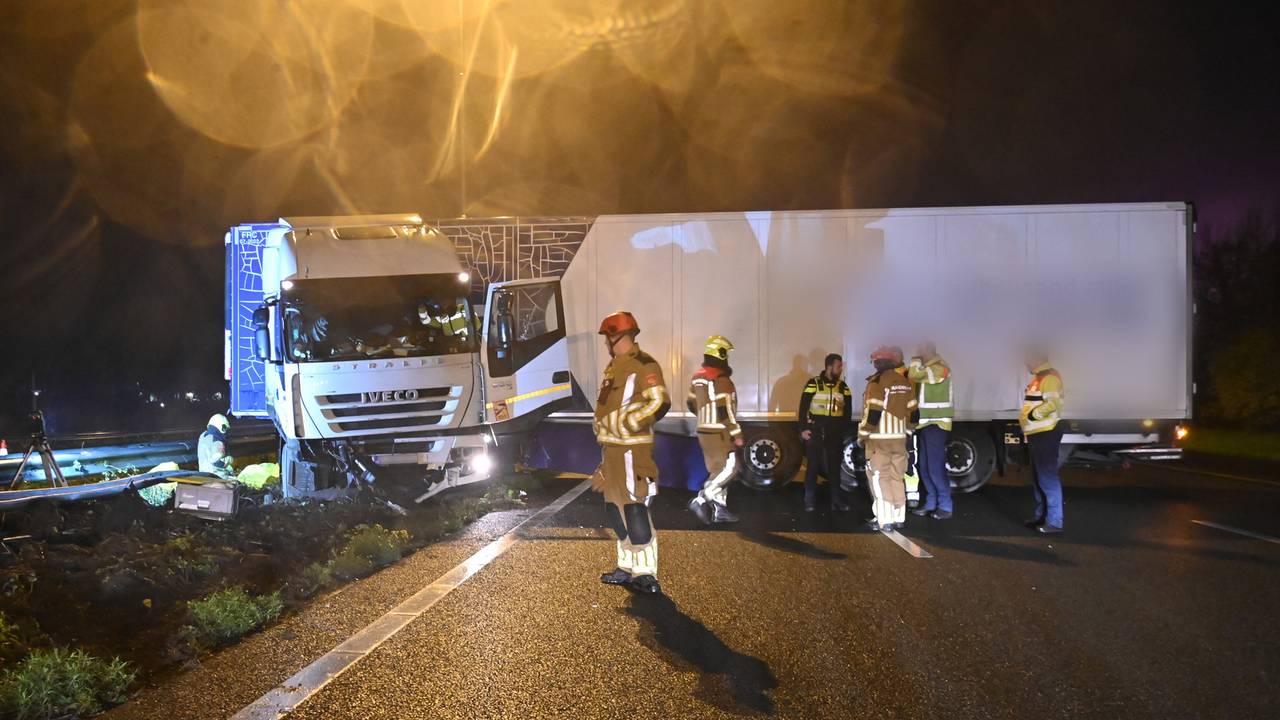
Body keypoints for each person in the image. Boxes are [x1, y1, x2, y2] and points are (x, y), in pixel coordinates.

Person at [592, 311, 670, 594]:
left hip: (633, 451)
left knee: (635, 509)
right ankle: (626, 566)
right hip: (611, 450)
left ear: (621, 336)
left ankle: (646, 572)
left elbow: (659, 402)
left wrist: (628, 422)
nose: (606, 343)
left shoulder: (643, 365)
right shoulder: (614, 368)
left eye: (608, 338)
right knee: (615, 509)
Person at [858, 346, 917, 531]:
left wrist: (863, 434)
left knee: (879, 478)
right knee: (896, 477)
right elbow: (914, 414)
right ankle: (899, 516)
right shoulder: (905, 382)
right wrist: (907, 432)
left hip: (879, 440)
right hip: (899, 440)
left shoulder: (876, 382)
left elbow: (873, 412)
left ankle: (884, 520)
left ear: (878, 363)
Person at [687, 335, 744, 524]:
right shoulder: (721, 379)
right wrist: (736, 434)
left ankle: (720, 510)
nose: (727, 357)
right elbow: (725, 410)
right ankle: (702, 499)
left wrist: (704, 418)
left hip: (703, 431)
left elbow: (690, 402)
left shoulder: (697, 377)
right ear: (720, 353)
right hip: (719, 432)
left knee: (716, 470)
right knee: (731, 467)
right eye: (726, 353)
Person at [798, 353, 853, 512]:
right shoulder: (813, 384)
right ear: (829, 366)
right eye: (839, 366)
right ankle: (809, 500)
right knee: (813, 466)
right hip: (815, 430)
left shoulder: (843, 387)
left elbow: (847, 413)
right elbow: (803, 408)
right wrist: (803, 429)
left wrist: (843, 431)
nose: (841, 369)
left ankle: (836, 501)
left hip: (834, 432)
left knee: (835, 468)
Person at [907, 342, 954, 519]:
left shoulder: (940, 368)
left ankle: (946, 506)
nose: (917, 353)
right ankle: (931, 502)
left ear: (928, 351)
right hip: (926, 423)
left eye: (920, 350)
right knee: (924, 467)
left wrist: (914, 360)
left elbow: (913, 375)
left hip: (937, 424)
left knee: (935, 467)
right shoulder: (931, 368)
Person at [1021, 349, 1066, 534]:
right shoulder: (1040, 378)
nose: (1026, 362)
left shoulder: (1049, 378)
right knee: (1039, 477)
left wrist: (1032, 415)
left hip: (1046, 433)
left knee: (1047, 477)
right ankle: (1042, 516)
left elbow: (1052, 404)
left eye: (1029, 358)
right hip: (1038, 433)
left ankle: (1054, 521)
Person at [198, 414, 234, 479]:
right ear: (221, 427)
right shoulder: (217, 441)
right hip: (217, 477)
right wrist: (229, 460)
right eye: (225, 428)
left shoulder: (203, 436)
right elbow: (217, 462)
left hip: (203, 474)